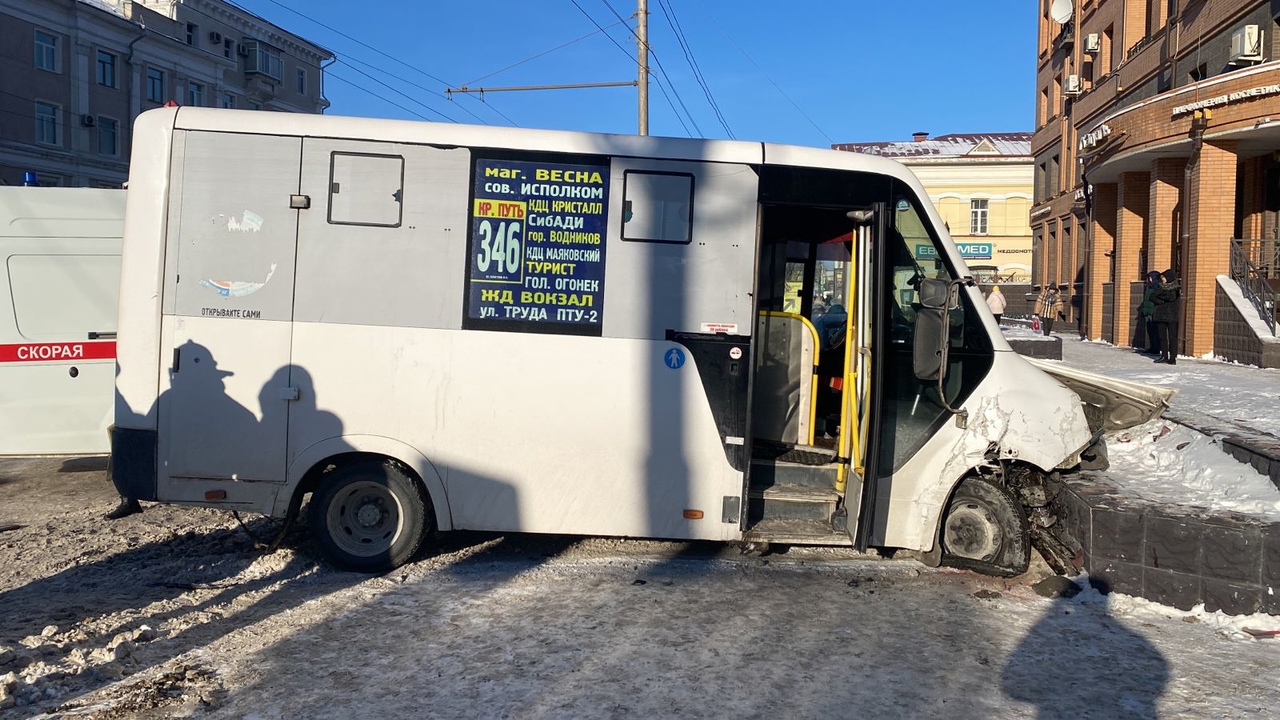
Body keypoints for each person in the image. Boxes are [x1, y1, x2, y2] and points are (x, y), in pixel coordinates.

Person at [1151, 268, 1181, 364]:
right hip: (1160, 315)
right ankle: (1164, 355)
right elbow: (1152, 297)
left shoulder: (1175, 287)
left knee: (1172, 337)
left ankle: (1172, 357)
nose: (1162, 280)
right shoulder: (1160, 287)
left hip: (1171, 315)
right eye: (1162, 278)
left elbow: (1171, 297)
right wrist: (1160, 300)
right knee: (1162, 337)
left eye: (1164, 278)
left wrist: (1160, 297)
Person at [1139, 270, 1161, 354]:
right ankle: (1152, 346)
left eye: (1150, 278)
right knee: (1150, 330)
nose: (1149, 279)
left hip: (1153, 311)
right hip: (1148, 311)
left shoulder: (1157, 287)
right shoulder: (1149, 287)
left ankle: (1156, 347)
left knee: (1155, 330)